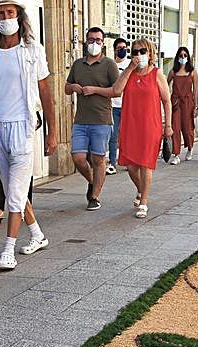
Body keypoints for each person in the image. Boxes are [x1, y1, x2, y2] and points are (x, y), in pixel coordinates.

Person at [0, 0, 57, 271]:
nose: (5, 18)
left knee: (14, 192)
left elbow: (46, 92)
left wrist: (52, 131)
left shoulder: (33, 51)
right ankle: (37, 234)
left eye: (10, 13)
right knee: (14, 186)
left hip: (22, 128)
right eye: (1, 14)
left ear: (19, 17)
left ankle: (8, 248)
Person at [112, 38, 171, 219]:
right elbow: (116, 90)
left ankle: (143, 201)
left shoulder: (157, 74)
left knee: (146, 164)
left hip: (150, 125)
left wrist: (167, 125)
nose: (139, 55)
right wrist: (129, 68)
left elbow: (166, 100)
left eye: (142, 51)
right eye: (135, 52)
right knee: (130, 167)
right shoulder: (127, 73)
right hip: (130, 124)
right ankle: (141, 190)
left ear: (150, 53)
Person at [65, 26, 118, 210]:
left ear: (103, 44)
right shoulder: (78, 64)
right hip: (81, 119)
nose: (94, 43)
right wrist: (73, 88)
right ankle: (92, 182)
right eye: (91, 40)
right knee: (78, 157)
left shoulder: (109, 64)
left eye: (98, 40)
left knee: (98, 159)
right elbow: (66, 86)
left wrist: (94, 90)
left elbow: (116, 91)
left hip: (101, 120)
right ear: (85, 41)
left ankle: (94, 196)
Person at [166, 46, 198, 165]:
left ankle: (190, 147)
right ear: (177, 57)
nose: (183, 57)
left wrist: (196, 106)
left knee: (187, 127)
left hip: (188, 102)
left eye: (185, 55)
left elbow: (195, 90)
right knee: (175, 127)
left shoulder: (192, 72)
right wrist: (167, 99)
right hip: (176, 103)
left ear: (188, 57)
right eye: (181, 55)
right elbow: (166, 84)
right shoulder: (173, 71)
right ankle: (176, 154)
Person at [107, 37, 130, 175]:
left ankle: (128, 160)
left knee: (127, 135)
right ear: (115, 50)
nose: (122, 50)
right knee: (113, 135)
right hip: (113, 105)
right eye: (119, 48)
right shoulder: (110, 65)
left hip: (127, 105)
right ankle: (112, 163)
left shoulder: (130, 64)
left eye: (124, 48)